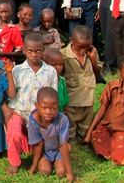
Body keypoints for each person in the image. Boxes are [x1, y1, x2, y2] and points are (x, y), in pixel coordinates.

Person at [5, 33, 58, 175]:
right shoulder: (16, 70)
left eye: (38, 51)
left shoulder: (50, 71)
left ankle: (41, 157)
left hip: (40, 114)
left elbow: (53, 96)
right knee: (14, 132)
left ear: (43, 50)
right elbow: (11, 95)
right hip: (19, 111)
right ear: (24, 50)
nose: (34, 54)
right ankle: (14, 162)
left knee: (44, 137)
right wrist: (9, 74)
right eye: (30, 51)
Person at [84, 55, 124, 166]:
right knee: (97, 138)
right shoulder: (112, 86)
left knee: (121, 155)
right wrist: (89, 132)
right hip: (107, 125)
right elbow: (102, 109)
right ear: (120, 73)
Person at [61, 25, 103, 141]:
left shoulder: (92, 53)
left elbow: (98, 76)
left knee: (84, 134)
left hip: (88, 102)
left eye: (87, 47)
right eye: (79, 47)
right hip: (71, 103)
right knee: (70, 135)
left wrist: (93, 60)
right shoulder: (63, 55)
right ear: (71, 40)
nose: (83, 51)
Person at [28, 87, 74, 181]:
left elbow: (62, 145)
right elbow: (38, 144)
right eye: (44, 108)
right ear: (37, 105)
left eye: (53, 108)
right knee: (44, 171)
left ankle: (60, 161)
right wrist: (33, 166)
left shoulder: (62, 120)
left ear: (58, 107)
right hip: (45, 152)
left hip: (58, 150)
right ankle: (46, 162)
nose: (48, 112)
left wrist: (69, 173)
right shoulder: (33, 120)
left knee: (61, 172)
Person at [42, 48, 69, 113]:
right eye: (54, 65)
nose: (58, 67)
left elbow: (65, 99)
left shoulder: (62, 80)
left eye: (60, 64)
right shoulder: (43, 80)